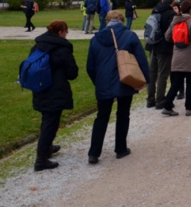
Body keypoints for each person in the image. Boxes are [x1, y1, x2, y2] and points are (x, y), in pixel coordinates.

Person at [86, 10, 150, 164]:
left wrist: (98, 81)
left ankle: (94, 153)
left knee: (102, 116)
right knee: (123, 114)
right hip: (125, 78)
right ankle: (120, 148)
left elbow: (90, 66)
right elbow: (141, 60)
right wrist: (145, 80)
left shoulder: (96, 39)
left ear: (107, 21)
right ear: (122, 20)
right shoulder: (130, 35)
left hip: (103, 80)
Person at [29, 21, 79, 171]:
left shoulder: (37, 46)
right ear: (60, 32)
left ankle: (47, 148)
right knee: (50, 123)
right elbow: (72, 73)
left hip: (40, 88)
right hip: (55, 90)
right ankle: (41, 159)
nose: (66, 34)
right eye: (66, 31)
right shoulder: (62, 49)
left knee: (47, 120)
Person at [161, 0, 191, 117]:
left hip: (177, 55)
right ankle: (189, 107)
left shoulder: (175, 21)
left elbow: (167, 36)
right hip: (190, 55)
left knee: (176, 83)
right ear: (190, 9)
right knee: (190, 82)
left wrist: (177, 42)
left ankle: (167, 105)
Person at [146, 0, 177, 110]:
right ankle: (160, 100)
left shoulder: (155, 10)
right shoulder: (170, 13)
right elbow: (171, 30)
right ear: (172, 2)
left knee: (152, 73)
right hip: (164, 46)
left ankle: (150, 99)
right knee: (162, 74)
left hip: (153, 44)